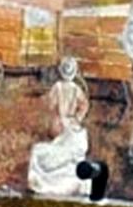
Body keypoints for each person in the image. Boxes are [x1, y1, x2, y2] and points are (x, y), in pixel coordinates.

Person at [28, 57, 93, 197]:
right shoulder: (76, 89)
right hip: (72, 123)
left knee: (53, 147)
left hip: (59, 123)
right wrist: (77, 118)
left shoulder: (57, 87)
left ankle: (49, 176)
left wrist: (56, 114)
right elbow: (84, 105)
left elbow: (51, 105)